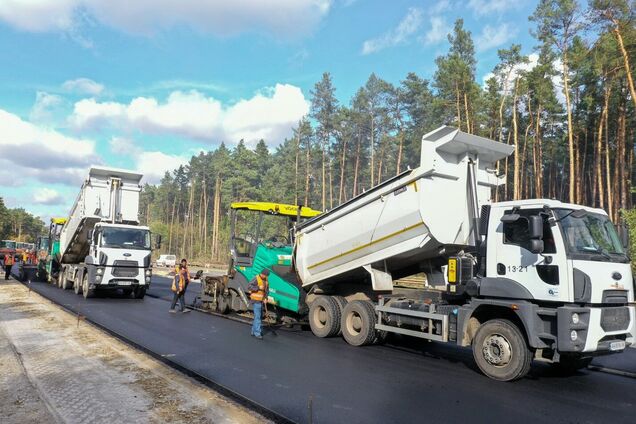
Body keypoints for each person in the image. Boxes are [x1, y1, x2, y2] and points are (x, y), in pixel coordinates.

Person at [247, 268, 269, 339]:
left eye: (266, 276)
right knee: (258, 317)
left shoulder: (266, 280)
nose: (265, 277)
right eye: (265, 275)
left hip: (261, 301)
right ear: (262, 274)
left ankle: (253, 331)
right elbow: (249, 286)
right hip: (255, 300)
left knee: (258, 317)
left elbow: (266, 290)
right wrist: (258, 287)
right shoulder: (256, 278)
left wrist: (266, 298)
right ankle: (257, 333)